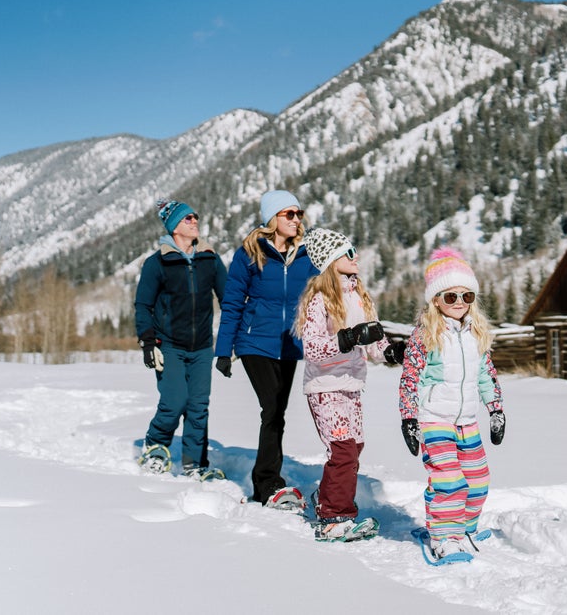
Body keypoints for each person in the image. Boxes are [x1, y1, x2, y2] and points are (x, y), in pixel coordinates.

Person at [293, 228, 406, 542]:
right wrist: (348, 338)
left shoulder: (358, 296)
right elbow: (312, 349)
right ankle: (333, 518)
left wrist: (392, 351)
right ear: (331, 260)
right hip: (324, 386)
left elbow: (372, 341)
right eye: (348, 252)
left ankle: (326, 499)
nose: (356, 257)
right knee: (342, 451)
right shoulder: (319, 300)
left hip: (352, 385)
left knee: (353, 449)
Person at [398, 247, 506, 562]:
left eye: (466, 296)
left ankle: (463, 527)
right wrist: (409, 418)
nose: (459, 303)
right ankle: (445, 537)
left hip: (467, 420)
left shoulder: (476, 333)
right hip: (434, 420)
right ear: (436, 299)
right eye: (450, 297)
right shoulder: (425, 334)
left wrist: (495, 409)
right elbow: (410, 379)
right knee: (449, 481)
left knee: (478, 478)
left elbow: (486, 374)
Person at [214, 190, 319, 508]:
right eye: (289, 214)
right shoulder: (249, 253)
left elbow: (322, 299)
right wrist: (223, 349)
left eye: (299, 213)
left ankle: (265, 484)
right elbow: (232, 303)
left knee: (277, 414)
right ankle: (269, 482)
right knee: (272, 408)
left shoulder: (307, 254)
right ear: (272, 217)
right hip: (254, 342)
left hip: (290, 344)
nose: (296, 219)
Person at [135, 199, 227, 480]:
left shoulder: (209, 259)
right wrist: (148, 342)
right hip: (169, 345)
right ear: (174, 227)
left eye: (195, 216)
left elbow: (229, 300)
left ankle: (193, 464)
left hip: (201, 347)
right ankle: (155, 445)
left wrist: (232, 340)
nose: (195, 221)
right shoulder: (158, 262)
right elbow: (143, 305)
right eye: (188, 218)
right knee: (175, 401)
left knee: (198, 407)